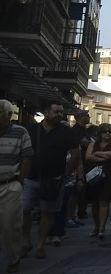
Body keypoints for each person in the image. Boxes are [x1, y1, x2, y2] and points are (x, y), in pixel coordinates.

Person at [23, 102, 80, 261]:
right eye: (56, 112)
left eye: (61, 112)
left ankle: (41, 244)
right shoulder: (32, 130)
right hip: (31, 177)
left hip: (54, 179)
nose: (59, 115)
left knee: (48, 212)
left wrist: (66, 174)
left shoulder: (66, 132)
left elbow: (75, 154)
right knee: (24, 209)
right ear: (46, 113)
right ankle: (25, 241)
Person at [0, 100, 32, 274]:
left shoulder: (20, 132)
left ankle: (13, 260)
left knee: (9, 226)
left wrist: (20, 181)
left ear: (9, 115)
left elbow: (27, 157)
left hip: (10, 185)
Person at [85, 124, 111, 241]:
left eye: (110, 132)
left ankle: (101, 228)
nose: (107, 134)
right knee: (94, 203)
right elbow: (88, 157)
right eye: (105, 132)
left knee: (104, 201)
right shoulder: (93, 144)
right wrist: (104, 158)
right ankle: (96, 226)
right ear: (100, 133)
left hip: (109, 175)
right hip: (95, 176)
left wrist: (97, 154)